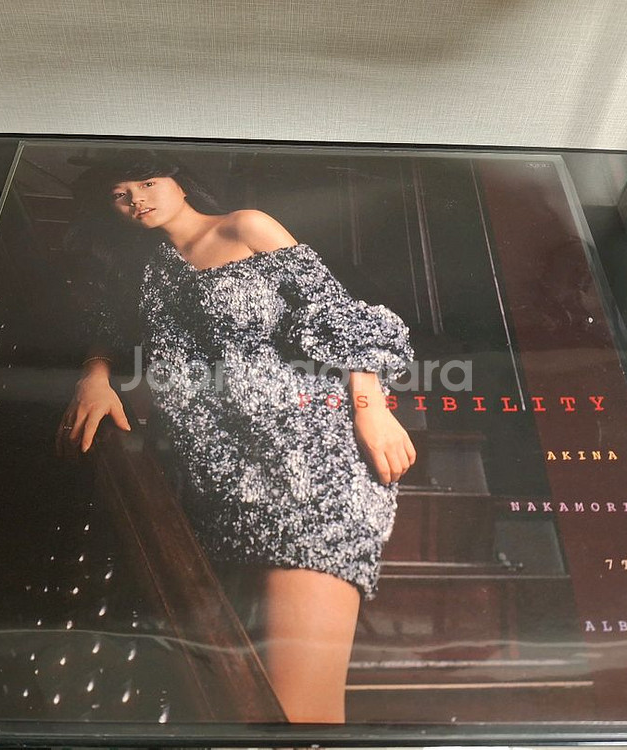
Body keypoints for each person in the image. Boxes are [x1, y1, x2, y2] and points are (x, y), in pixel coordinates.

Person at [56, 152, 416, 723]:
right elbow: (110, 332)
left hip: (310, 459)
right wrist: (94, 376)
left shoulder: (245, 226)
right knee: (256, 708)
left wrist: (371, 411)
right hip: (218, 479)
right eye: (121, 194)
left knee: (298, 710)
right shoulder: (142, 269)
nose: (138, 199)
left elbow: (336, 315)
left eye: (148, 182)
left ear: (178, 181)